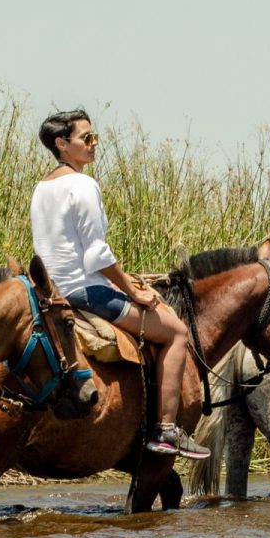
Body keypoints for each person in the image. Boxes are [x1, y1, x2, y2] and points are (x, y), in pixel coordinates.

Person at [30, 110, 209, 459]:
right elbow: (97, 255)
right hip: (85, 290)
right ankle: (167, 430)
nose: (94, 144)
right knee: (175, 332)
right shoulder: (83, 184)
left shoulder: (42, 187)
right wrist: (131, 289)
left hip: (52, 291)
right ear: (61, 144)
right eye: (86, 138)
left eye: (94, 137)